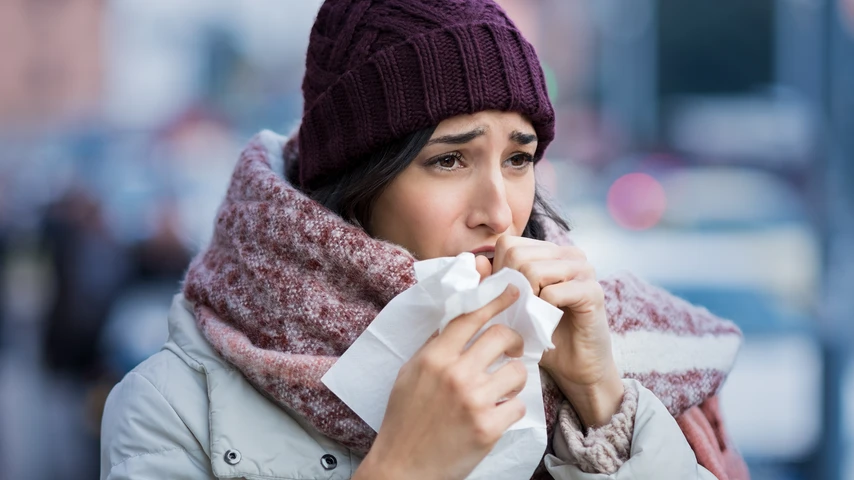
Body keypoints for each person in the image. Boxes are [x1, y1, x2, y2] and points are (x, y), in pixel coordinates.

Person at [100, 1, 750, 479]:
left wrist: (602, 405)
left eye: (519, 159)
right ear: (357, 181)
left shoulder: (587, 343)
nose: (499, 210)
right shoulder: (173, 407)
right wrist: (403, 468)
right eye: (448, 161)